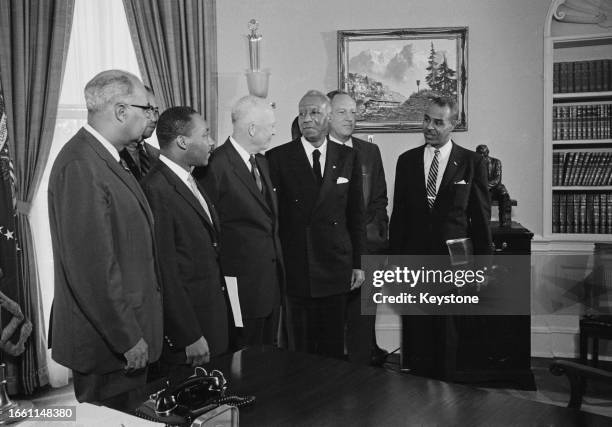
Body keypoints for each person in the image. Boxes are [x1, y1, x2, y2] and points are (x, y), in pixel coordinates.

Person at [48, 69, 163, 402]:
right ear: (121, 111)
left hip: (127, 338)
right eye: (145, 108)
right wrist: (126, 337)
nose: (149, 117)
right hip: (109, 348)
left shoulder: (108, 158)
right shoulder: (82, 164)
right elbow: (92, 270)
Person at [388, 96, 492, 379]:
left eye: (438, 122)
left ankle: (447, 400)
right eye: (426, 120)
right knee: (416, 333)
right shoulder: (406, 161)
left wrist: (483, 268)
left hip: (454, 265)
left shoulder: (472, 163)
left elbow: (481, 221)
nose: (429, 127)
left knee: (448, 335)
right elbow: (399, 217)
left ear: (453, 124)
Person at [266, 90, 365, 359]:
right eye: (301, 113)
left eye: (314, 113)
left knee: (333, 346)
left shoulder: (348, 157)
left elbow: (355, 214)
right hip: (298, 266)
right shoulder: (277, 158)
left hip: (336, 264)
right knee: (301, 350)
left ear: (329, 117)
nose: (306, 119)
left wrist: (357, 262)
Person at [140, 107, 229, 372]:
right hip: (190, 333)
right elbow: (164, 271)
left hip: (210, 318)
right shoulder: (156, 189)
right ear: (182, 141)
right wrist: (187, 334)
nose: (212, 142)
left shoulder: (190, 179)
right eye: (205, 134)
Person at [197, 95, 283, 348]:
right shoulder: (215, 165)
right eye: (271, 126)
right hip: (238, 288)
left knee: (267, 360)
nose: (275, 132)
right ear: (253, 128)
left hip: (269, 285)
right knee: (243, 361)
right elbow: (209, 231)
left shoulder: (263, 164)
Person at [327, 90, 389, 366]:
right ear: (327, 115)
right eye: (342, 112)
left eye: (354, 112)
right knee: (330, 329)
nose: (350, 118)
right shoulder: (313, 151)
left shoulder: (369, 151)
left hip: (367, 251)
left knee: (363, 325)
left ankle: (364, 387)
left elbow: (379, 199)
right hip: (329, 255)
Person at [119, 86, 160, 180]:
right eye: (147, 110)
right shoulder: (110, 154)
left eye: (156, 111)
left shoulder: (159, 156)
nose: (154, 119)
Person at [476, 144, 512, 227]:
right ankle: (485, 222)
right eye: (479, 153)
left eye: (483, 153)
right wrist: (483, 187)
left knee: (504, 194)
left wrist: (486, 186)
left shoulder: (496, 162)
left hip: (495, 187)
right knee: (483, 196)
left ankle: (505, 221)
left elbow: (497, 179)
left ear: (487, 153)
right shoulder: (475, 163)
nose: (481, 155)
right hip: (482, 188)